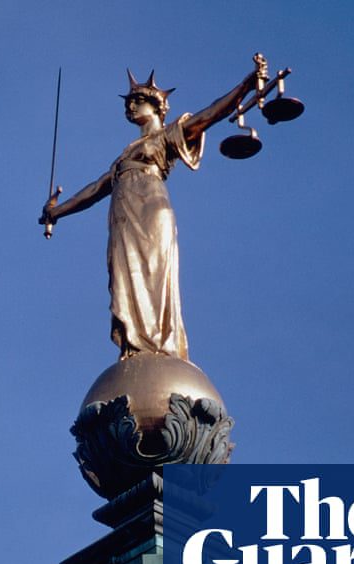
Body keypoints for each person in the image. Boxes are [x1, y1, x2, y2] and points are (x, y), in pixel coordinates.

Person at [39, 59, 266, 361]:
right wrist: (57, 212)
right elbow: (95, 189)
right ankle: (134, 343)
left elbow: (212, 113)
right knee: (124, 276)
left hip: (151, 206)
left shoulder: (169, 134)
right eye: (128, 104)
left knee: (154, 271)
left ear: (157, 106)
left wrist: (246, 86)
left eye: (137, 101)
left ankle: (158, 343)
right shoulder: (124, 157)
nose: (130, 107)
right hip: (123, 213)